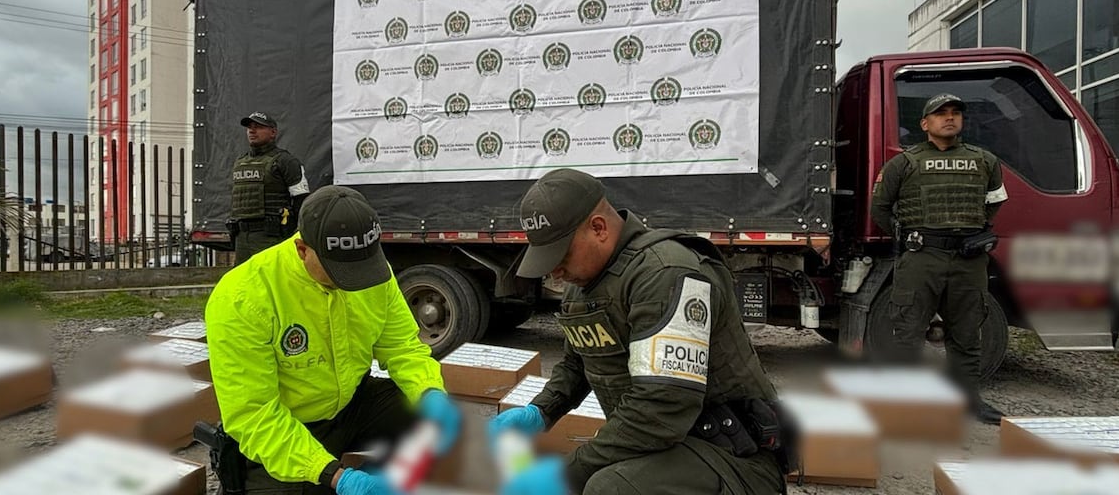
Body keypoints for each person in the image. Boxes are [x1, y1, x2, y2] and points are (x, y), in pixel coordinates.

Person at [489, 168, 789, 495]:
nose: (555, 271)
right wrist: (541, 410)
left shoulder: (665, 272)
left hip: (732, 456)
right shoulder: (584, 285)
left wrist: (565, 475)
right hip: (667, 446)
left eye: (561, 254)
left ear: (598, 228)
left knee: (609, 488)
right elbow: (578, 364)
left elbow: (661, 407)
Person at [204, 185, 462, 494]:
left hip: (352, 405)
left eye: (360, 267)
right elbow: (254, 414)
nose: (353, 282)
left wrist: (429, 393)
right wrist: (335, 476)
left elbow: (403, 348)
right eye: (339, 271)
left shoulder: (373, 274)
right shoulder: (242, 298)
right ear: (302, 249)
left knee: (430, 425)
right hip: (288, 424)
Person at [870, 93, 1008, 425]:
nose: (949, 118)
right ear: (925, 123)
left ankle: (968, 401)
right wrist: (908, 236)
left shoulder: (985, 161)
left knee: (967, 333)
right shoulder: (904, 163)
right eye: (941, 113)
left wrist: (974, 232)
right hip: (922, 258)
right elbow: (880, 208)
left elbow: (994, 201)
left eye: (955, 112)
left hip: (968, 259)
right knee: (908, 332)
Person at [229, 111, 311, 264]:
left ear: (273, 132)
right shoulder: (240, 161)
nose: (252, 131)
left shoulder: (285, 161)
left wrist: (297, 232)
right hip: (241, 237)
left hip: (271, 236)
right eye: (249, 127)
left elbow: (302, 200)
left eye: (259, 127)